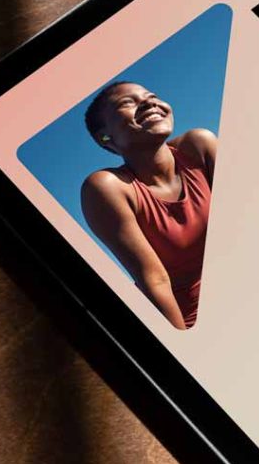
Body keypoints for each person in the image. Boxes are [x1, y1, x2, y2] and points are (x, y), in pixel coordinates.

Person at [76, 80, 215, 329]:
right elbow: (155, 281)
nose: (149, 103)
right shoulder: (108, 187)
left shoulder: (199, 145)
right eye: (127, 102)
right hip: (187, 319)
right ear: (105, 138)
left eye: (152, 96)